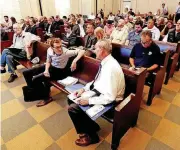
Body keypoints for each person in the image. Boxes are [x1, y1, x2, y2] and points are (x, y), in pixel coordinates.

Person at [68, 39, 125, 147]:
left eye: (96, 48)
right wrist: (84, 89)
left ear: (102, 50)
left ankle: (93, 137)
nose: (94, 50)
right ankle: (91, 126)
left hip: (112, 101)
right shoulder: (106, 62)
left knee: (73, 109)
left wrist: (89, 100)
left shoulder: (111, 68)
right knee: (72, 98)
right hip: (102, 92)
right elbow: (97, 81)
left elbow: (110, 97)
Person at [22, 38, 85, 107]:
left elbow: (82, 51)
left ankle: (47, 98)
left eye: (60, 46)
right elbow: (48, 61)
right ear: (52, 47)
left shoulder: (66, 52)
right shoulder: (49, 50)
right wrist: (46, 70)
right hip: (51, 67)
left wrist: (74, 61)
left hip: (59, 72)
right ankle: (34, 91)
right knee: (26, 73)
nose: (60, 48)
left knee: (36, 79)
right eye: (57, 47)